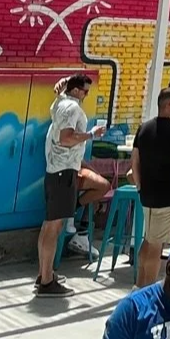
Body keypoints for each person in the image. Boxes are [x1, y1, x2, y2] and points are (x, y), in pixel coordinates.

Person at [38, 73, 109, 296]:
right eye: (86, 91)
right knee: (54, 227)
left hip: (56, 170)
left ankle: (44, 273)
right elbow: (66, 138)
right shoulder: (72, 109)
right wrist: (90, 134)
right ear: (77, 91)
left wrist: (63, 82)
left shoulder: (60, 102)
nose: (87, 95)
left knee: (49, 225)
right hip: (63, 171)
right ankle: (47, 282)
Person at [132, 87, 170, 288]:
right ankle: (146, 290)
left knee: (149, 240)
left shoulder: (144, 128)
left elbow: (135, 161)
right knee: (156, 245)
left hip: (147, 195)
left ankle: (139, 286)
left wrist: (139, 186)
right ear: (169, 105)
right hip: (168, 197)